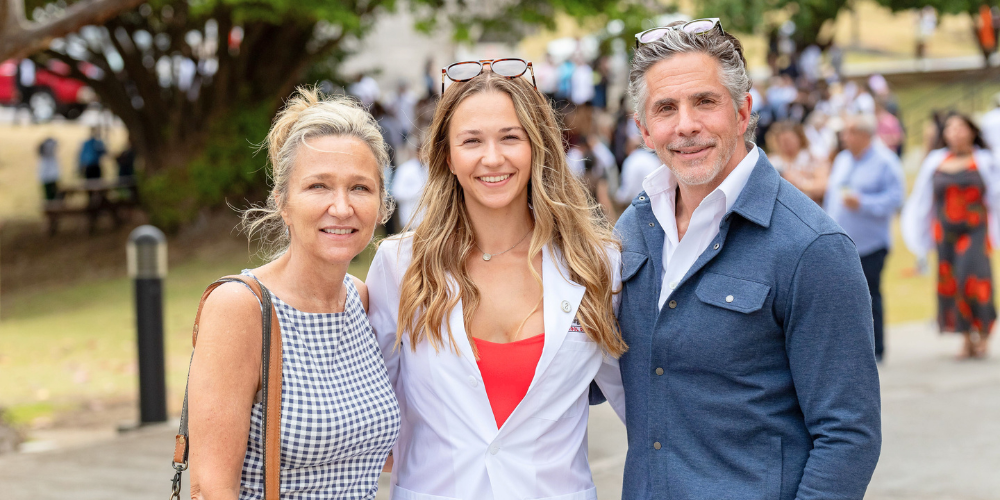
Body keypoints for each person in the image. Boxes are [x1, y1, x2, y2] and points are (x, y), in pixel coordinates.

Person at [615, 19, 881, 499]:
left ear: (743, 111)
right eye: (666, 108)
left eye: (705, 101)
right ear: (644, 130)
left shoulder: (812, 247)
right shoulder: (632, 230)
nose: (686, 125)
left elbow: (848, 434)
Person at [366, 59, 627, 500]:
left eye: (510, 137)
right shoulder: (400, 266)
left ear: (538, 147)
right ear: (446, 155)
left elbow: (644, 407)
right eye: (472, 141)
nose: (493, 158)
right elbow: (370, 417)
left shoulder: (597, 265)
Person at [186, 88, 400, 499]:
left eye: (360, 188)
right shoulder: (241, 307)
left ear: (382, 205)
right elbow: (210, 487)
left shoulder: (360, 299)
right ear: (282, 202)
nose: (341, 207)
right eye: (319, 186)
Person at [902, 112, 1000, 359]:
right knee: (952, 283)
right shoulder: (935, 161)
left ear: (971, 131)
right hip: (945, 233)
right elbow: (923, 199)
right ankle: (967, 337)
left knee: (974, 277)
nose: (955, 132)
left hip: (975, 230)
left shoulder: (985, 161)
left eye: (961, 127)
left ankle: (984, 333)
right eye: (950, 127)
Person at [825, 114, 906, 362]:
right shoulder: (843, 159)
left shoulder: (885, 162)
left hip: (871, 244)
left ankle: (876, 349)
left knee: (870, 296)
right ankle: (850, 347)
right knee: (842, 297)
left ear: (864, 135)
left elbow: (896, 199)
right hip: (841, 243)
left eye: (849, 132)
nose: (844, 138)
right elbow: (832, 196)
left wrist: (863, 202)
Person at [766, 120, 829, 204]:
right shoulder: (772, 161)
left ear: (799, 138)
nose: (786, 144)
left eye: (789, 140)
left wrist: (801, 183)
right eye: (782, 141)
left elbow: (823, 186)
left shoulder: (812, 157)